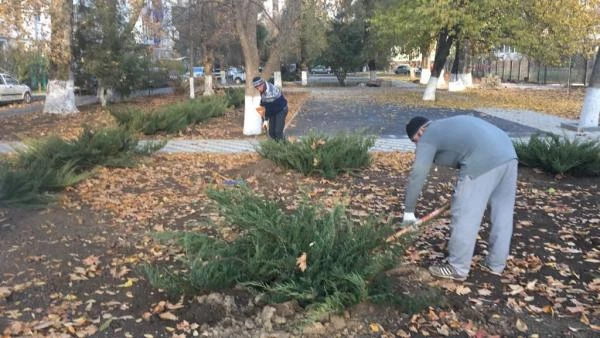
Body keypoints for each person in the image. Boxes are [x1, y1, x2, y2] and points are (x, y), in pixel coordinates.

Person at [402, 115, 518, 281]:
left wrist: (408, 211)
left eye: (415, 141)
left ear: (420, 132)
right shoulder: (446, 126)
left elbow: (418, 174)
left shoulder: (429, 135)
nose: (417, 145)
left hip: (482, 159)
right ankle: (496, 265)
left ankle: (457, 268)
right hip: (508, 154)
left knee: (465, 213)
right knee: (503, 214)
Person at [252, 76, 288, 141]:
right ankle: (276, 147)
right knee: (271, 133)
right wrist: (265, 119)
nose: (259, 89)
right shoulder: (263, 89)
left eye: (259, 87)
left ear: (262, 83)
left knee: (278, 132)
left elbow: (269, 106)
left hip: (281, 109)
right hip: (273, 110)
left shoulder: (271, 90)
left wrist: (266, 118)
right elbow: (264, 103)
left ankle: (285, 148)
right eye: (257, 88)